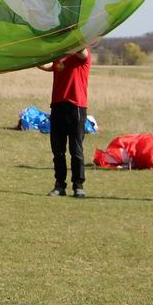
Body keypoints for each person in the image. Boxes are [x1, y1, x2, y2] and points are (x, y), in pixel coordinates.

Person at [38, 46, 91, 197]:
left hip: (76, 107)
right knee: (58, 150)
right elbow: (48, 66)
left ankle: (78, 186)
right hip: (57, 106)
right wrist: (31, 58)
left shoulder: (83, 54)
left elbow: (82, 52)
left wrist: (72, 40)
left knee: (76, 149)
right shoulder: (59, 55)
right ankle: (59, 185)